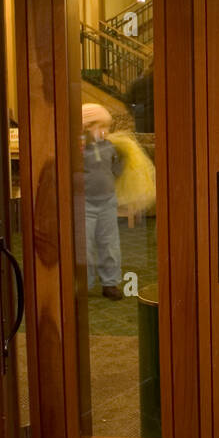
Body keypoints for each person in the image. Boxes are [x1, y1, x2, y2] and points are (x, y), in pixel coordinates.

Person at [81, 103, 124, 300]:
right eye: (99, 126)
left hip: (107, 201)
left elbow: (117, 169)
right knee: (85, 246)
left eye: (106, 127)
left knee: (110, 244)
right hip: (84, 203)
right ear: (86, 127)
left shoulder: (110, 146)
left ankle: (110, 282)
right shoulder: (78, 149)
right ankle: (85, 284)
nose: (104, 131)